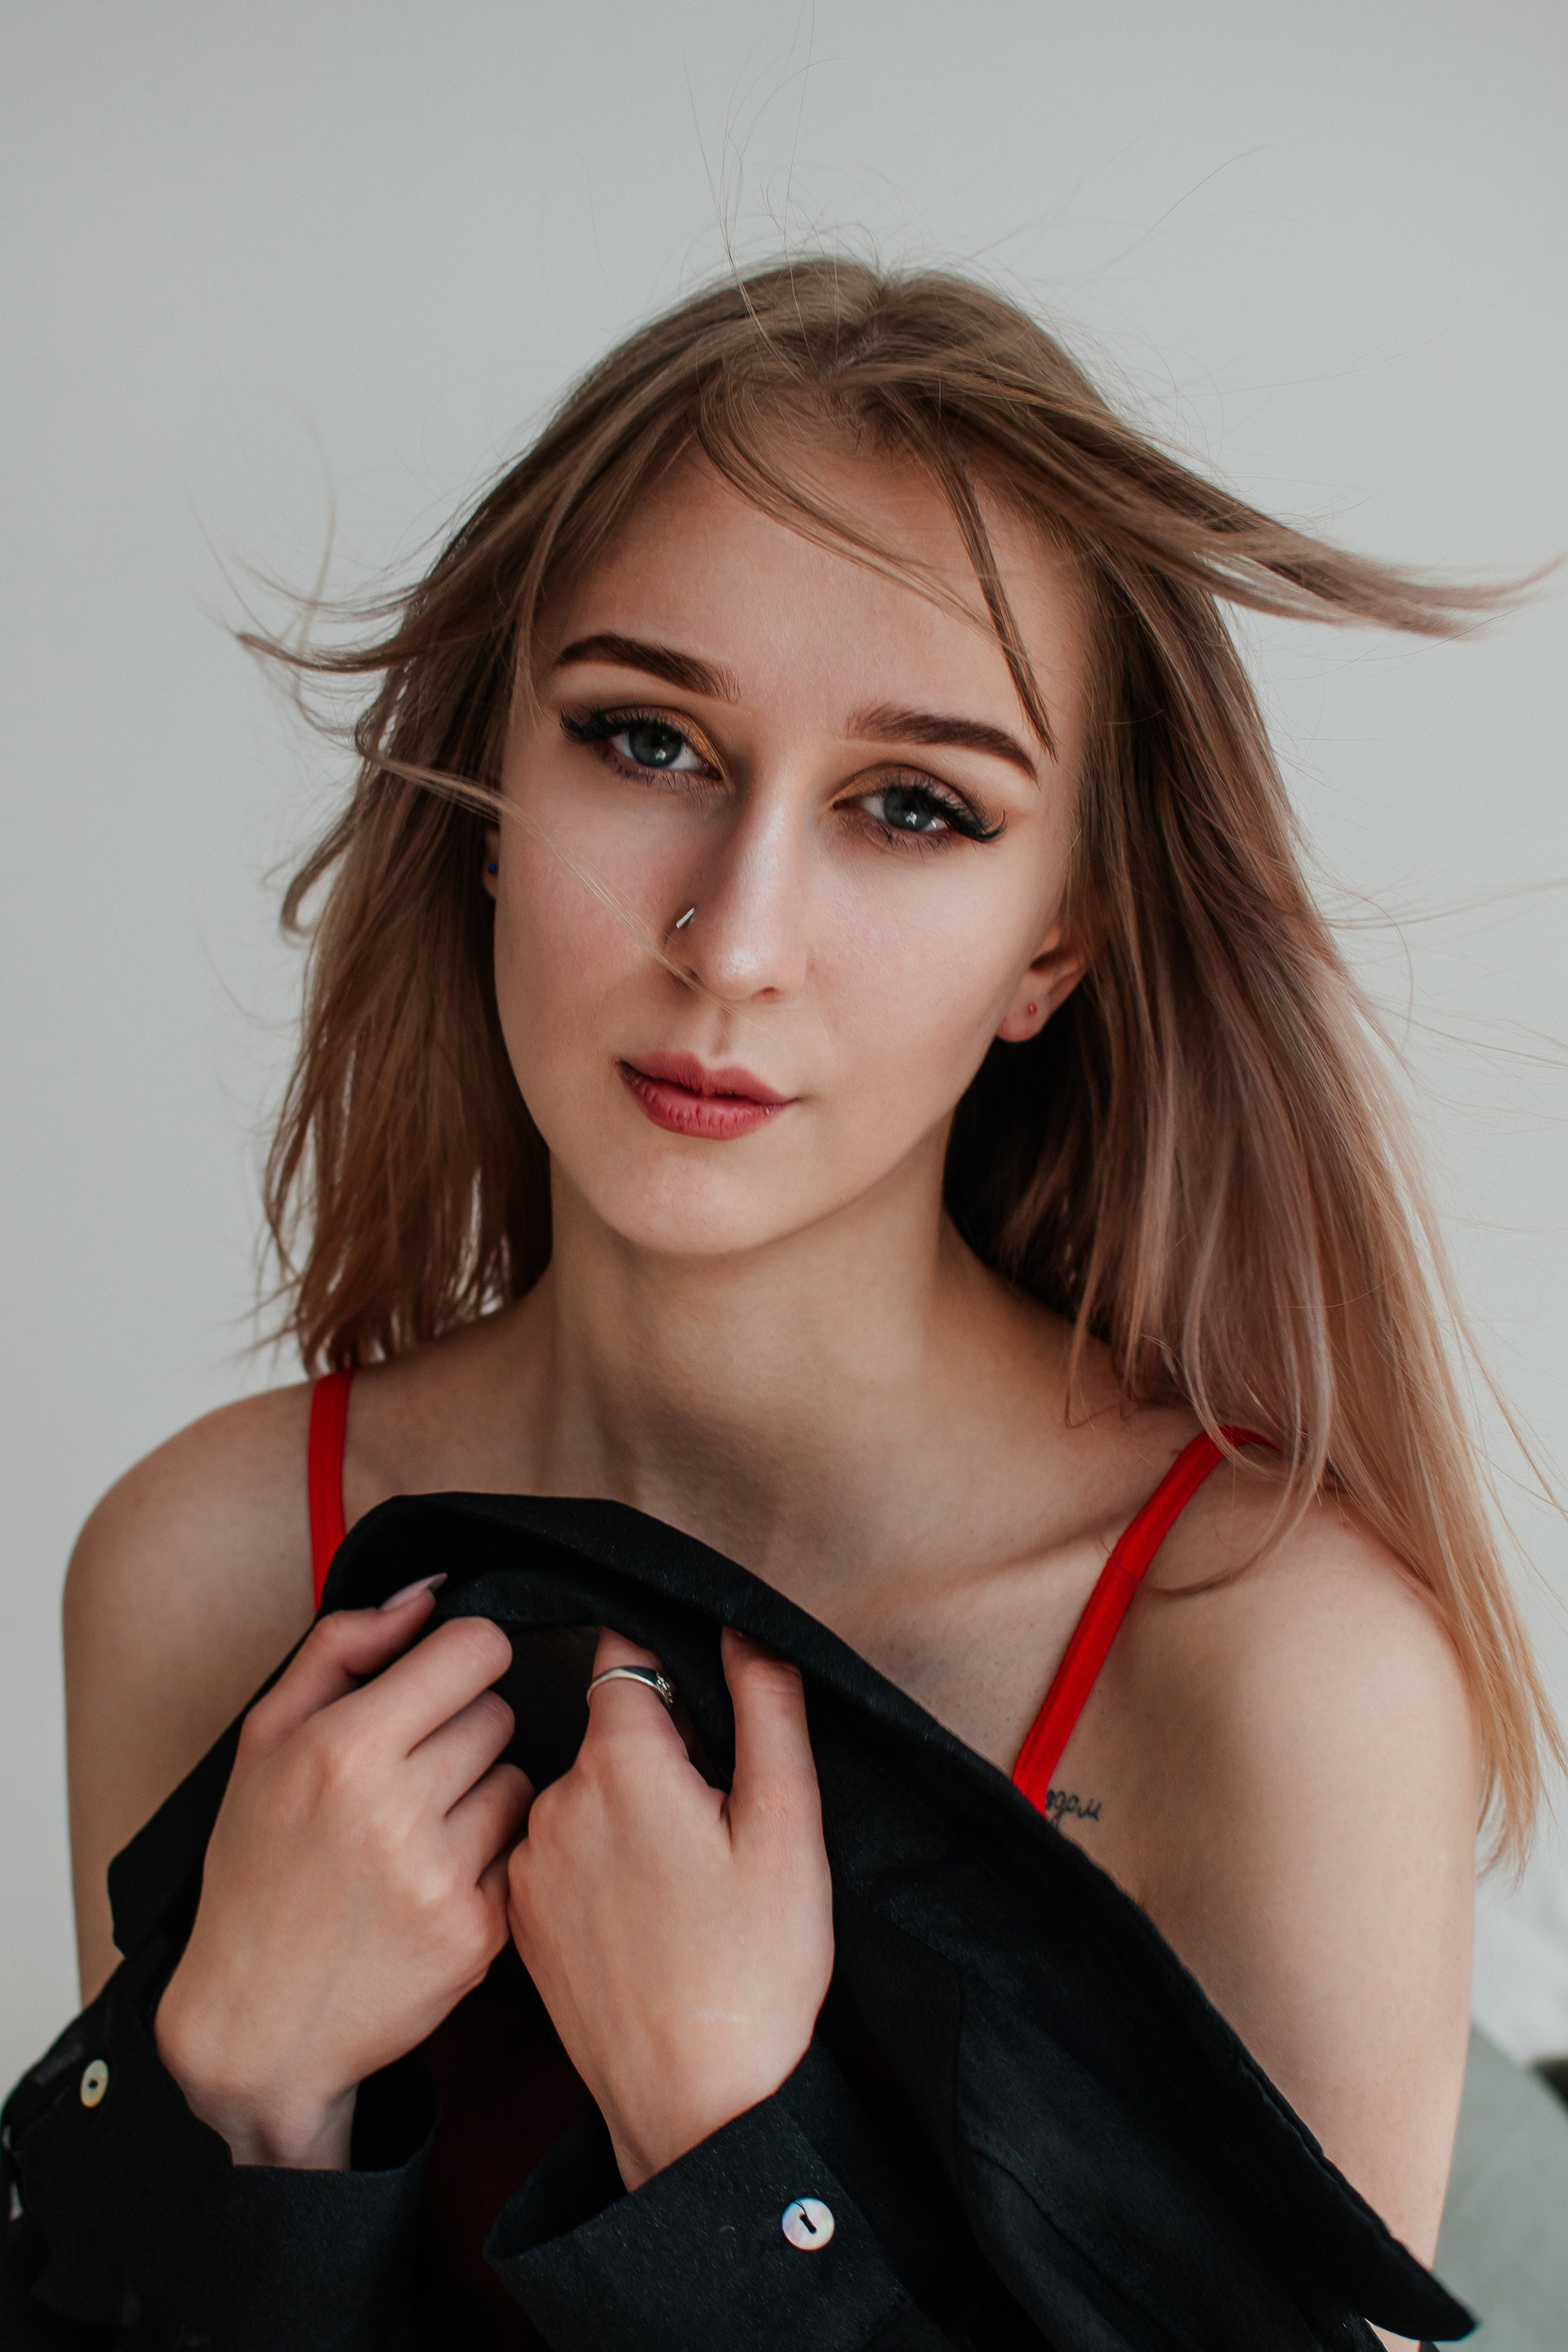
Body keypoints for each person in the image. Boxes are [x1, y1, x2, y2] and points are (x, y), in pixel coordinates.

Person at [6, 258, 1557, 2351]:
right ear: (489, 801)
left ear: (1058, 943)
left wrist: (732, 2160)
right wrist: (246, 2103)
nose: (732, 941)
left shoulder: (1278, 1676)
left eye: (914, 808)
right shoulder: (207, 1566)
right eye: (645, 741)